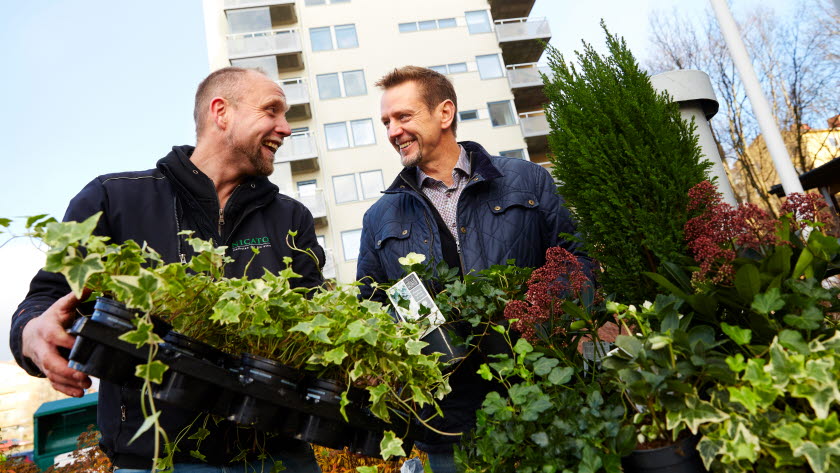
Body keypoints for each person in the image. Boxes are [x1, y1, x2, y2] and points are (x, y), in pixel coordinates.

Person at [9, 67, 325, 473]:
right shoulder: (113, 199)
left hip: (277, 457)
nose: (286, 128)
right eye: (272, 110)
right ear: (221, 112)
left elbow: (316, 323)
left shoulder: (290, 218)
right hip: (156, 460)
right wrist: (31, 331)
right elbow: (47, 297)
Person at [356, 66, 590, 473]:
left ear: (445, 113)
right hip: (448, 424)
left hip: (542, 399)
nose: (393, 131)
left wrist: (548, 318)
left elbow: (575, 259)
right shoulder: (379, 217)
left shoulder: (526, 180)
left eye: (403, 117)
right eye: (387, 122)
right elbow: (372, 307)